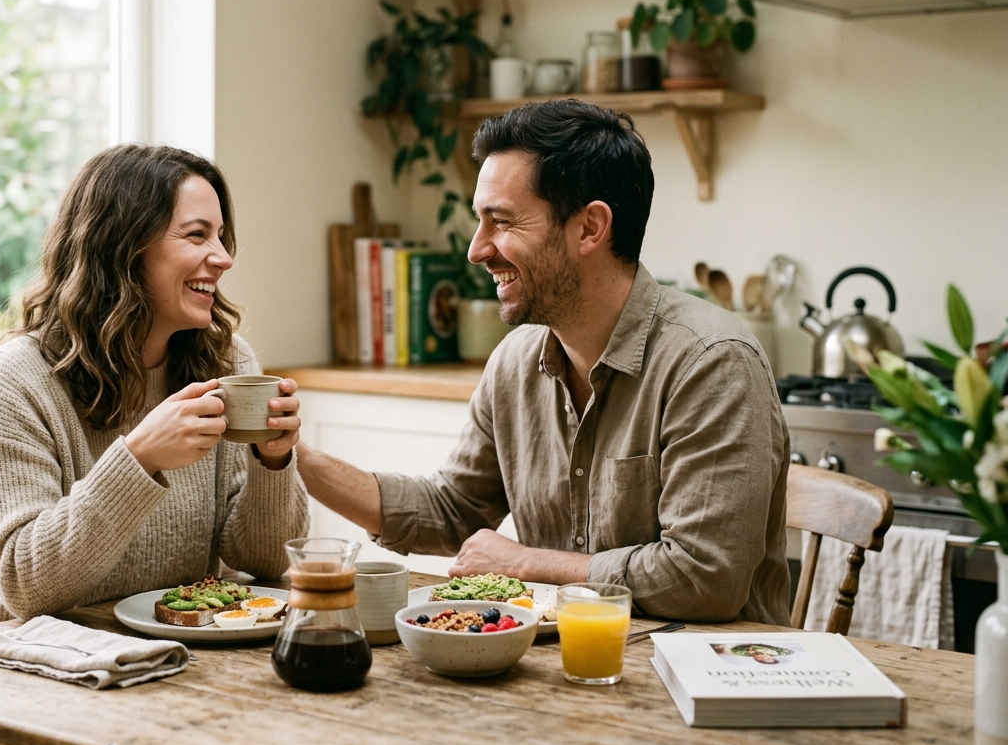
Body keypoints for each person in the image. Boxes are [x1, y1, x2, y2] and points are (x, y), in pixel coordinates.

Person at [298, 100, 790, 624]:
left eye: (502, 222)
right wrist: (291, 457)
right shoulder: (514, 362)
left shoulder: (711, 364)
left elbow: (703, 579)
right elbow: (451, 512)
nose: (476, 250)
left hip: (704, 678)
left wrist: (525, 562)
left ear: (589, 228)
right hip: (554, 670)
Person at [0, 144, 308, 630]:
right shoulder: (17, 380)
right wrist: (139, 458)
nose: (223, 258)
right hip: (19, 666)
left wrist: (273, 461)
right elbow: (25, 586)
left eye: (221, 237)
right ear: (124, 246)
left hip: (162, 661)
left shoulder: (226, 363)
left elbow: (265, 563)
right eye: (197, 235)